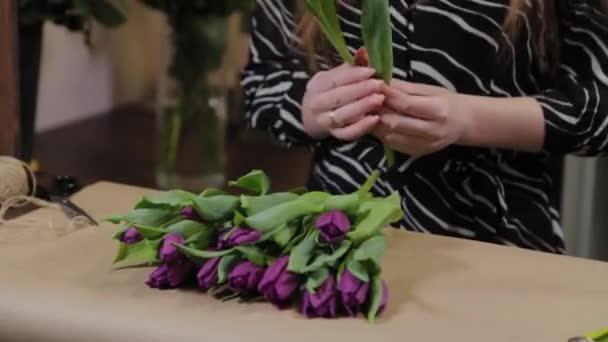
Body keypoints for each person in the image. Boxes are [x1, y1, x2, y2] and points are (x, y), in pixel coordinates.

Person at [241, 0, 608, 253]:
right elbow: (262, 82)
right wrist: (314, 107)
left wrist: (469, 119)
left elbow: (600, 107)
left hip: (501, 248)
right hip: (337, 244)